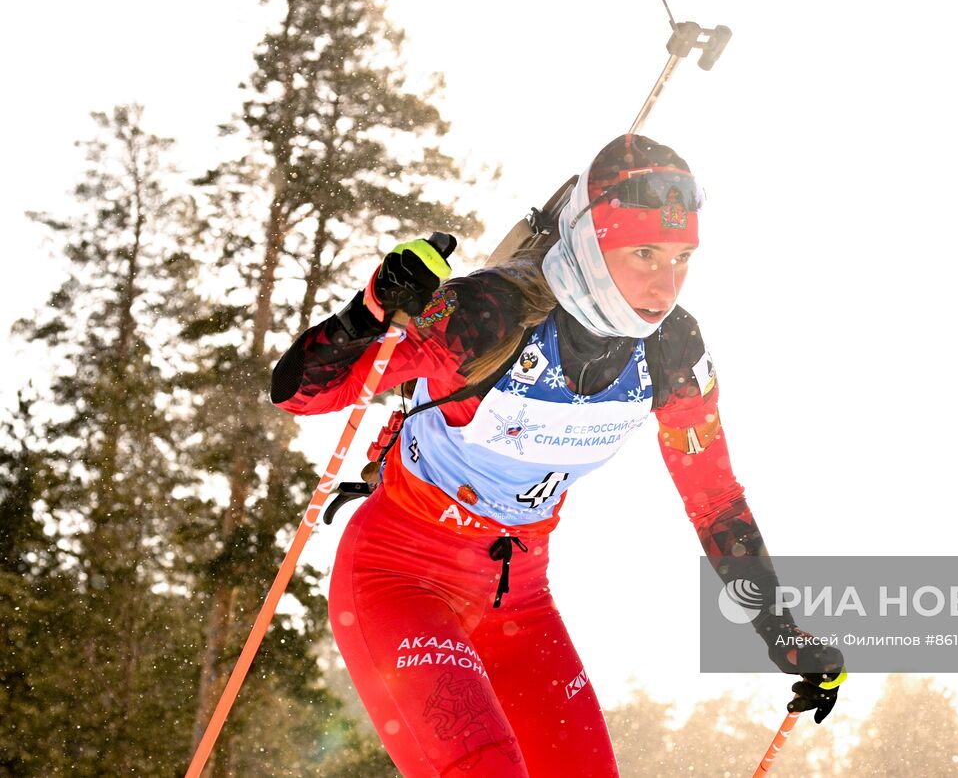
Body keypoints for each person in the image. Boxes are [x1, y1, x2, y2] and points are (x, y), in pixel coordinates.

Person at [270, 134, 845, 776]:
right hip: (400, 580)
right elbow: (299, 393)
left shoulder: (671, 349)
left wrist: (781, 629)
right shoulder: (489, 313)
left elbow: (713, 498)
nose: (665, 282)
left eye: (683, 257)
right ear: (593, 244)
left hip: (518, 602)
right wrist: (371, 310)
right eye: (645, 253)